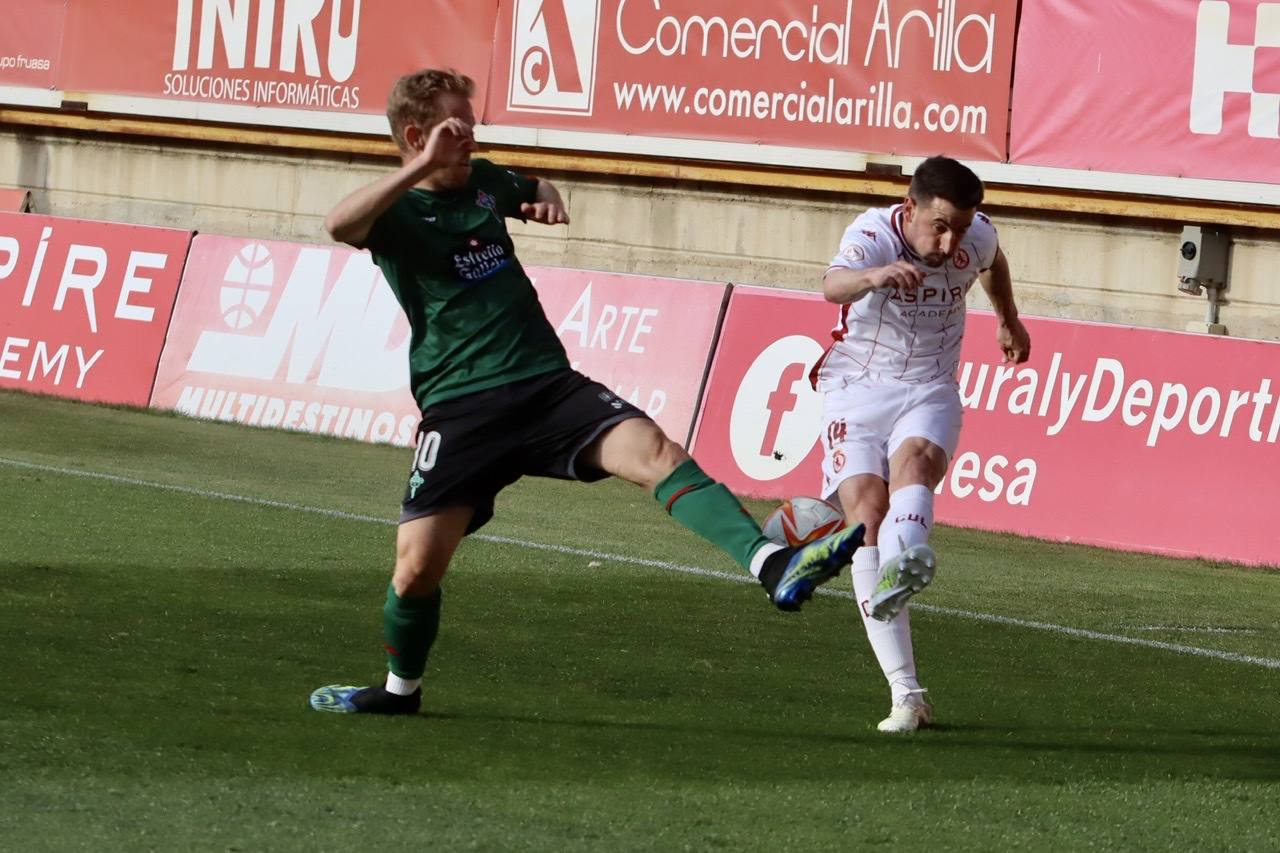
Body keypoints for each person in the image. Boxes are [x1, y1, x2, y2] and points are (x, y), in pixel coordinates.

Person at [308, 68, 865, 715]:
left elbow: (531, 185)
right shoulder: (397, 213)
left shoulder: (483, 180)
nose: (471, 138)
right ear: (416, 136)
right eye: (456, 129)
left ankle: (773, 565)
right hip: (462, 406)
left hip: (546, 385)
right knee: (415, 571)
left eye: (471, 125)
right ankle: (400, 691)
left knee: (656, 452)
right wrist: (422, 166)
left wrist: (545, 196)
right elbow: (338, 223)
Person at [813, 155, 1031, 732]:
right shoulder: (873, 234)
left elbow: (993, 261)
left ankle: (901, 566)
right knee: (865, 516)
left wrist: (1007, 318)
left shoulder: (975, 238)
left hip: (929, 384)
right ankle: (906, 693)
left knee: (918, 463)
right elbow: (832, 284)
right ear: (909, 208)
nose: (950, 241)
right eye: (939, 227)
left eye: (961, 227)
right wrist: (874, 277)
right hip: (857, 386)